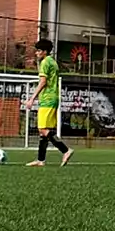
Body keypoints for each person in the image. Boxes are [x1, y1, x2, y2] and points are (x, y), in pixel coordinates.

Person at [24, 39, 73, 167]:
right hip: (53, 98)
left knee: (43, 129)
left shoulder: (45, 62)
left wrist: (32, 98)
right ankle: (41, 159)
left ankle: (66, 150)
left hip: (47, 99)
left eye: (39, 51)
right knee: (44, 131)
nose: (36, 53)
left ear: (45, 52)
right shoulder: (53, 62)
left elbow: (43, 81)